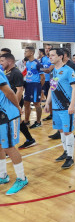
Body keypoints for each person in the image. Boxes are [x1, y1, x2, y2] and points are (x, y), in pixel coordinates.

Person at [45, 48, 75, 169]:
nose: (50, 57)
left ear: (60, 56)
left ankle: (70, 157)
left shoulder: (69, 70)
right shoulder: (53, 71)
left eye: (53, 55)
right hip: (56, 107)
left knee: (68, 131)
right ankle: (65, 152)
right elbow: (51, 87)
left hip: (66, 106)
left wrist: (72, 104)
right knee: (60, 130)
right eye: (49, 55)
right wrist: (47, 102)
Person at [0, 67, 28, 195]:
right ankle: (3, 175)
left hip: (7, 115)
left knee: (9, 147)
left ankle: (22, 178)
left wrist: (18, 107)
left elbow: (9, 92)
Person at [0, 53, 36, 149]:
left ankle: (8, 148)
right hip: (9, 102)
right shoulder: (6, 72)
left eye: (2, 60)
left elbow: (19, 90)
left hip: (15, 101)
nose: (0, 63)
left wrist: (15, 105)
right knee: (18, 121)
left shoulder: (16, 73)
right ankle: (30, 139)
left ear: (10, 61)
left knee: (12, 122)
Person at [23, 46, 45, 129]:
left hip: (35, 85)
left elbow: (43, 77)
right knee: (26, 103)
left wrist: (39, 87)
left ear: (31, 53)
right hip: (28, 84)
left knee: (36, 103)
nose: (24, 53)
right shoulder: (28, 62)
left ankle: (38, 122)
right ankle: (26, 120)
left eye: (26, 51)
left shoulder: (38, 63)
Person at [39, 45, 54, 122]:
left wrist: (39, 68)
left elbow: (48, 70)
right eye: (46, 48)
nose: (47, 50)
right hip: (45, 80)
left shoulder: (53, 58)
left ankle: (53, 114)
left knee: (52, 98)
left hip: (52, 80)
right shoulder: (43, 58)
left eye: (49, 48)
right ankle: (51, 114)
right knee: (48, 97)